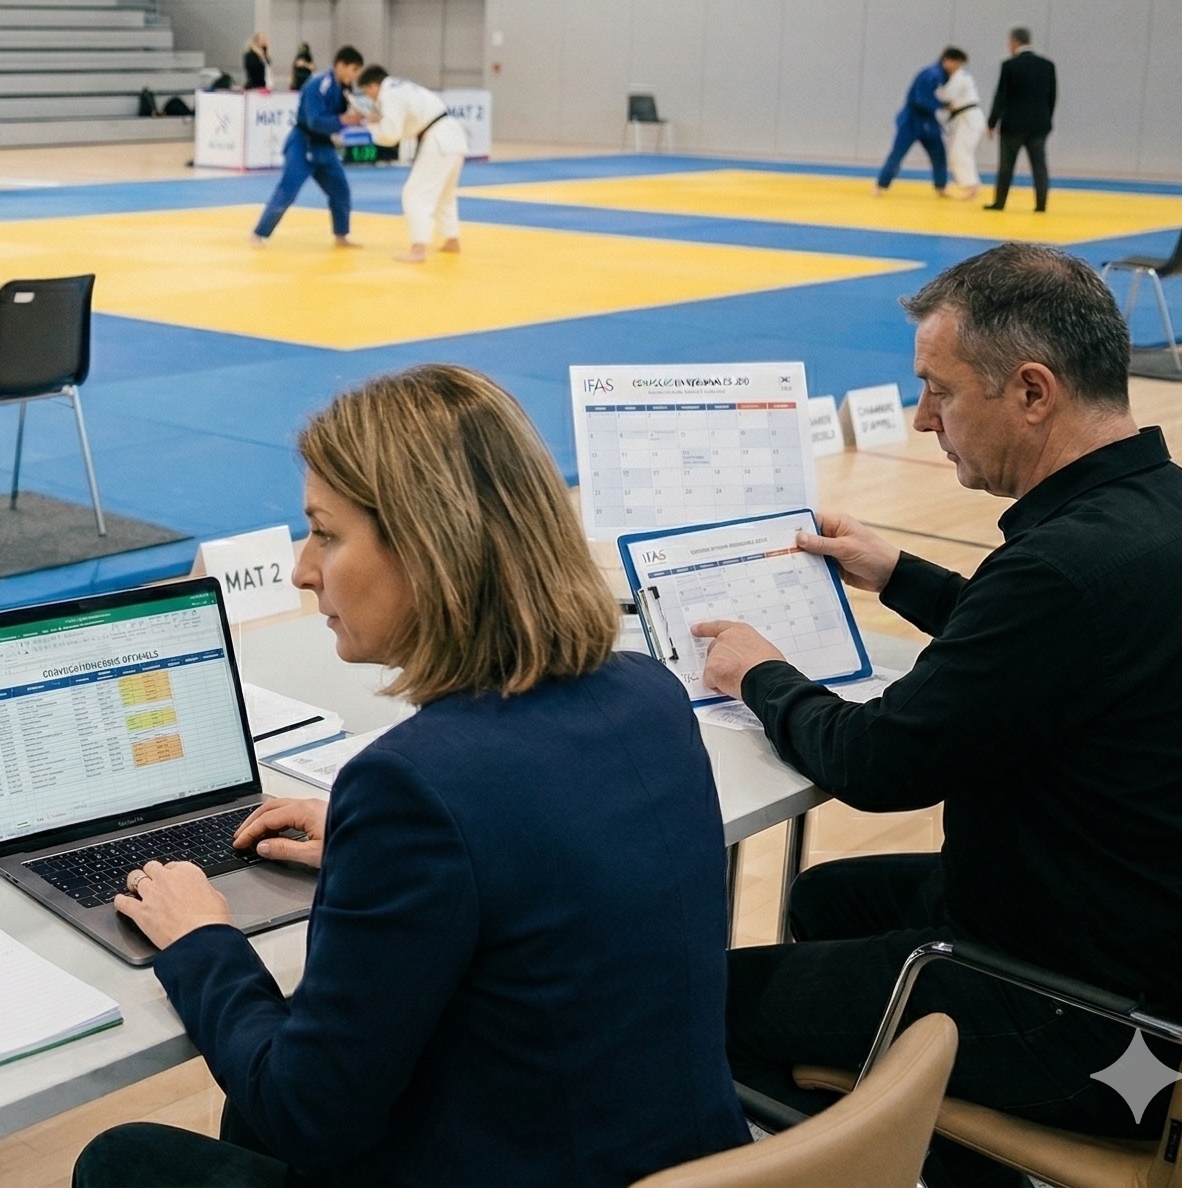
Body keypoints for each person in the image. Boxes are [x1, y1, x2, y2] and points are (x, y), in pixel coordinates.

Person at [84, 365, 746, 1188]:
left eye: (325, 533)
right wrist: (383, 856)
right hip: (676, 1155)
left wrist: (203, 941)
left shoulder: (414, 784)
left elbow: (310, 1114)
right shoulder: (648, 694)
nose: (301, 570)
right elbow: (541, 862)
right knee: (247, 1110)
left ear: (427, 545)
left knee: (126, 1158)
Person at [701, 244, 1182, 1186]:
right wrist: (900, 574)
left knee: (707, 1014)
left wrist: (763, 673)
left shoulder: (1059, 572)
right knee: (824, 901)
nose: (922, 421)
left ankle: (915, 1153)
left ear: (1032, 392)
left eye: (940, 392)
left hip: (1092, 1019)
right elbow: (1050, 661)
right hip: (1164, 945)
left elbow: (875, 764)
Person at [251, 44, 361, 249]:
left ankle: (341, 235)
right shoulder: (318, 84)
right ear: (341, 65)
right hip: (303, 142)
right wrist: (344, 120)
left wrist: (350, 120)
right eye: (354, 70)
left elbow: (341, 117)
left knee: (340, 190)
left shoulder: (344, 88)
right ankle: (259, 233)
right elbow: (315, 121)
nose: (354, 76)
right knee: (288, 190)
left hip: (323, 145)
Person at [356, 66, 468, 263]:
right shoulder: (401, 87)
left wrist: (372, 124)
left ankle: (419, 249)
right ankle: (452, 239)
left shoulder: (388, 94)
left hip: (439, 139)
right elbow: (406, 127)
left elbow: (391, 136)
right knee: (445, 194)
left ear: (374, 85)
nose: (368, 96)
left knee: (414, 193)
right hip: (453, 136)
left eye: (367, 91)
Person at [986, 27, 1058, 212]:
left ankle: (1000, 202)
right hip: (1039, 125)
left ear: (1014, 42)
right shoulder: (1047, 65)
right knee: (1039, 166)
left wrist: (992, 122)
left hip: (1013, 124)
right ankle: (1041, 204)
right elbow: (1052, 97)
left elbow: (1001, 96)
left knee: (1006, 166)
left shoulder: (1009, 65)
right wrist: (1046, 120)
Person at [874, 48, 961, 195]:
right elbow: (922, 99)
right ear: (948, 60)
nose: (958, 68)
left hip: (928, 121)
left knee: (939, 153)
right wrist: (944, 105)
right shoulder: (931, 74)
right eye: (957, 64)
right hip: (912, 120)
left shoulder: (944, 76)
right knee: (898, 153)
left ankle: (941, 186)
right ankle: (881, 185)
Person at [937, 52, 983, 199]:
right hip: (966, 118)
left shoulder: (960, 78)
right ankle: (972, 185)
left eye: (949, 61)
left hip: (970, 118)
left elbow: (945, 96)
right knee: (961, 152)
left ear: (956, 62)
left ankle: (972, 186)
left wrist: (934, 99)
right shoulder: (956, 78)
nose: (946, 64)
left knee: (961, 151)